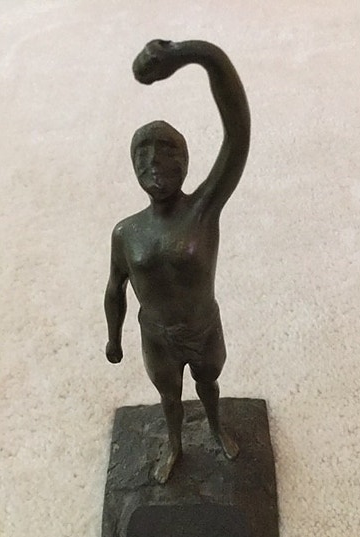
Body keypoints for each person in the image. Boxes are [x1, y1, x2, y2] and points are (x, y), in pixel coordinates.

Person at [104, 40, 250, 483]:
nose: (154, 163)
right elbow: (115, 289)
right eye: (142, 154)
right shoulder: (127, 232)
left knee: (209, 384)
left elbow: (237, 133)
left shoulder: (203, 209)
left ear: (184, 161)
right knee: (169, 397)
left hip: (203, 328)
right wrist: (113, 339)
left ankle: (216, 427)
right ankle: (174, 445)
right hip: (158, 335)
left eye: (165, 151)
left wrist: (195, 54)